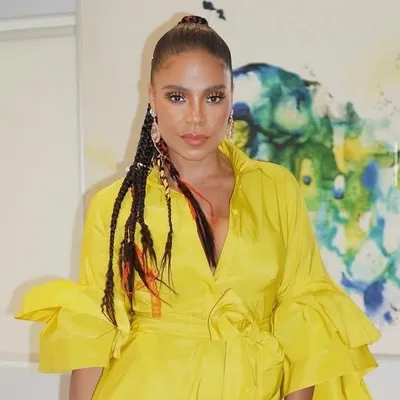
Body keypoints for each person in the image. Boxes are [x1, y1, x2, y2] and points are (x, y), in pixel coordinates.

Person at [16, 15, 381, 400]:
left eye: (212, 97)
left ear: (231, 96)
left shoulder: (277, 189)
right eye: (177, 97)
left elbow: (304, 313)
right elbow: (95, 328)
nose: (195, 117)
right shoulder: (116, 205)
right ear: (152, 98)